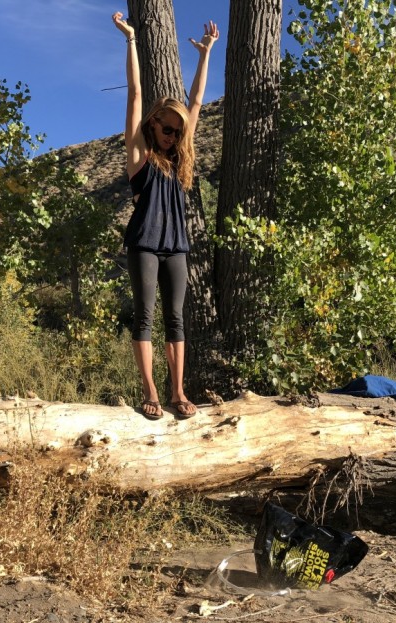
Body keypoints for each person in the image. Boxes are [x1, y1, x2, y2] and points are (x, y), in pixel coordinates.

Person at [111, 11, 219, 420]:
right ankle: (151, 392)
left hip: (176, 246)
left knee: (176, 319)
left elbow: (194, 102)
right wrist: (131, 41)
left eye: (178, 130)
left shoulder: (179, 162)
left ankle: (178, 392)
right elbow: (136, 95)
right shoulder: (141, 158)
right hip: (143, 243)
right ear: (154, 126)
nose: (174, 135)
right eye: (168, 129)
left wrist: (206, 53)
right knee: (146, 316)